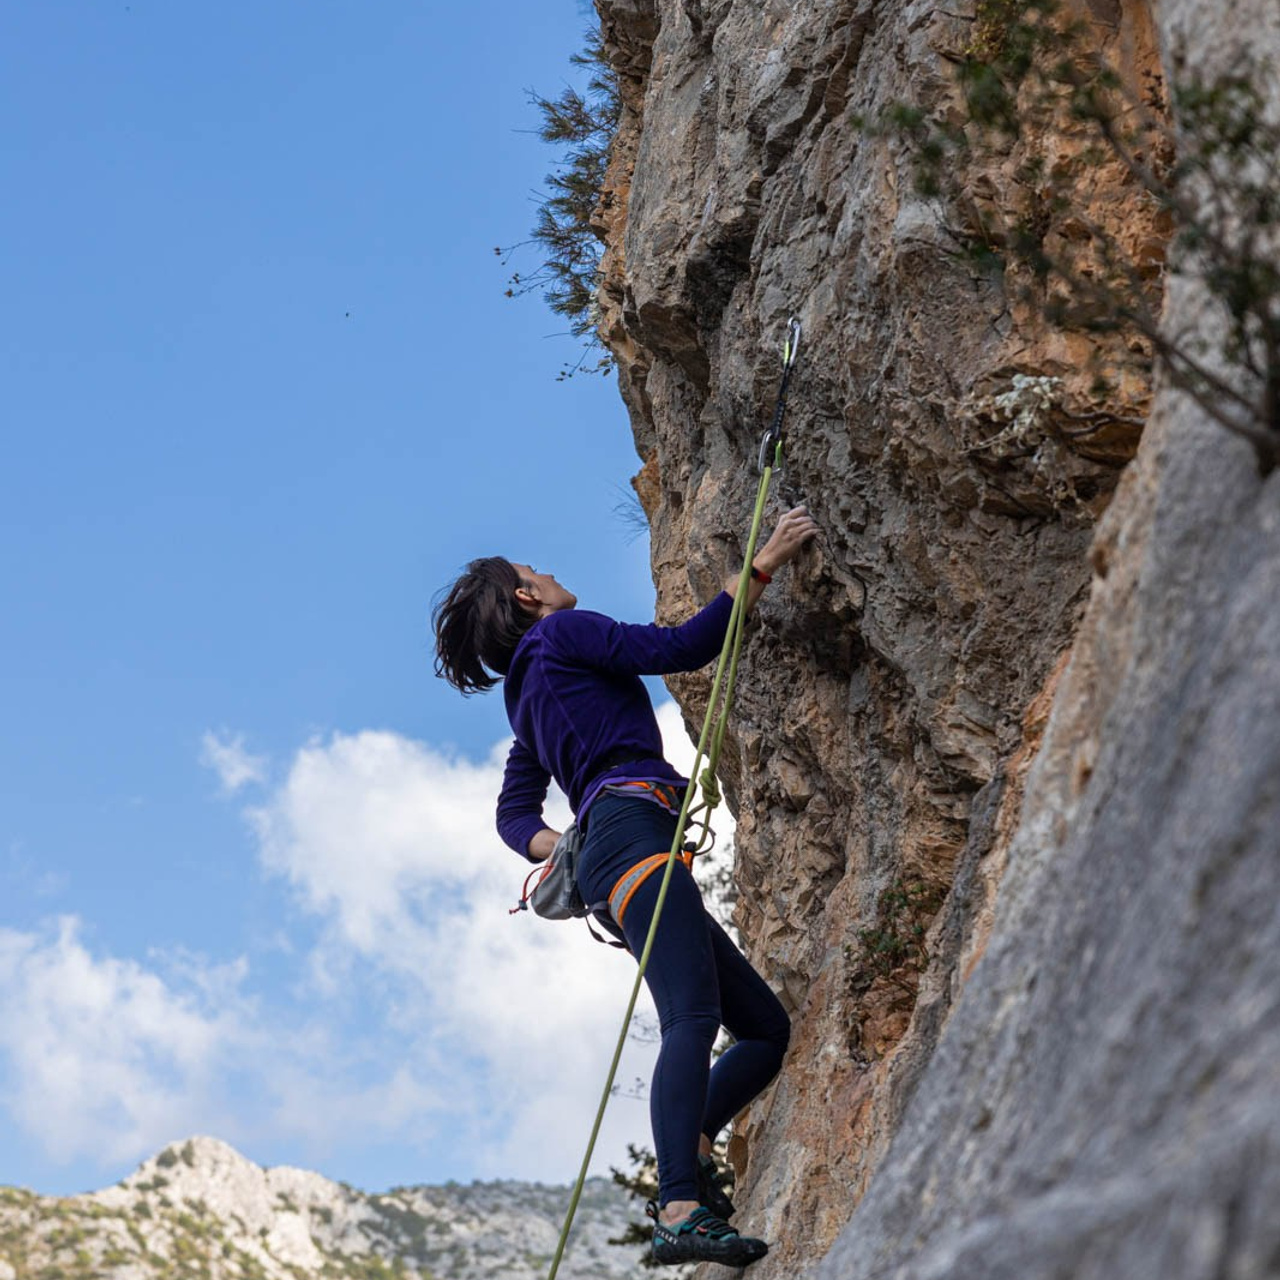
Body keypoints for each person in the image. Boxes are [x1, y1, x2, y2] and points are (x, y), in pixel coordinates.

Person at [432, 505, 818, 1267]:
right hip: (634, 832)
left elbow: (513, 817)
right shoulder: (560, 635)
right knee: (692, 1014)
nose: (548, 574)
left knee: (764, 1031)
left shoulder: (525, 707)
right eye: (534, 572)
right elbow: (682, 647)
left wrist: (568, 847)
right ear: (525, 598)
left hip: (615, 854)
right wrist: (763, 561)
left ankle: (692, 1143)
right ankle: (679, 1205)